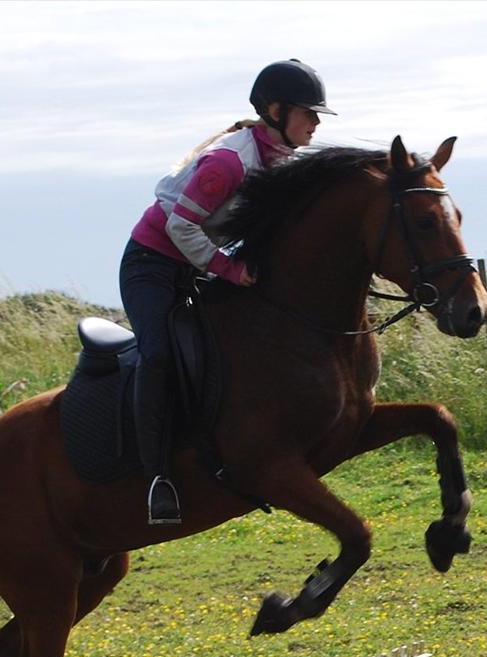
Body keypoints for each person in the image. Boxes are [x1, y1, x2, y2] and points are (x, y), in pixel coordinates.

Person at [120, 59, 335, 525]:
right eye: (308, 113)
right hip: (152, 265)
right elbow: (180, 226)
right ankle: (157, 478)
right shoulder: (228, 162)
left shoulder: (282, 159)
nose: (316, 123)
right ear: (275, 111)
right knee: (158, 356)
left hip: (198, 265)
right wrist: (230, 271)